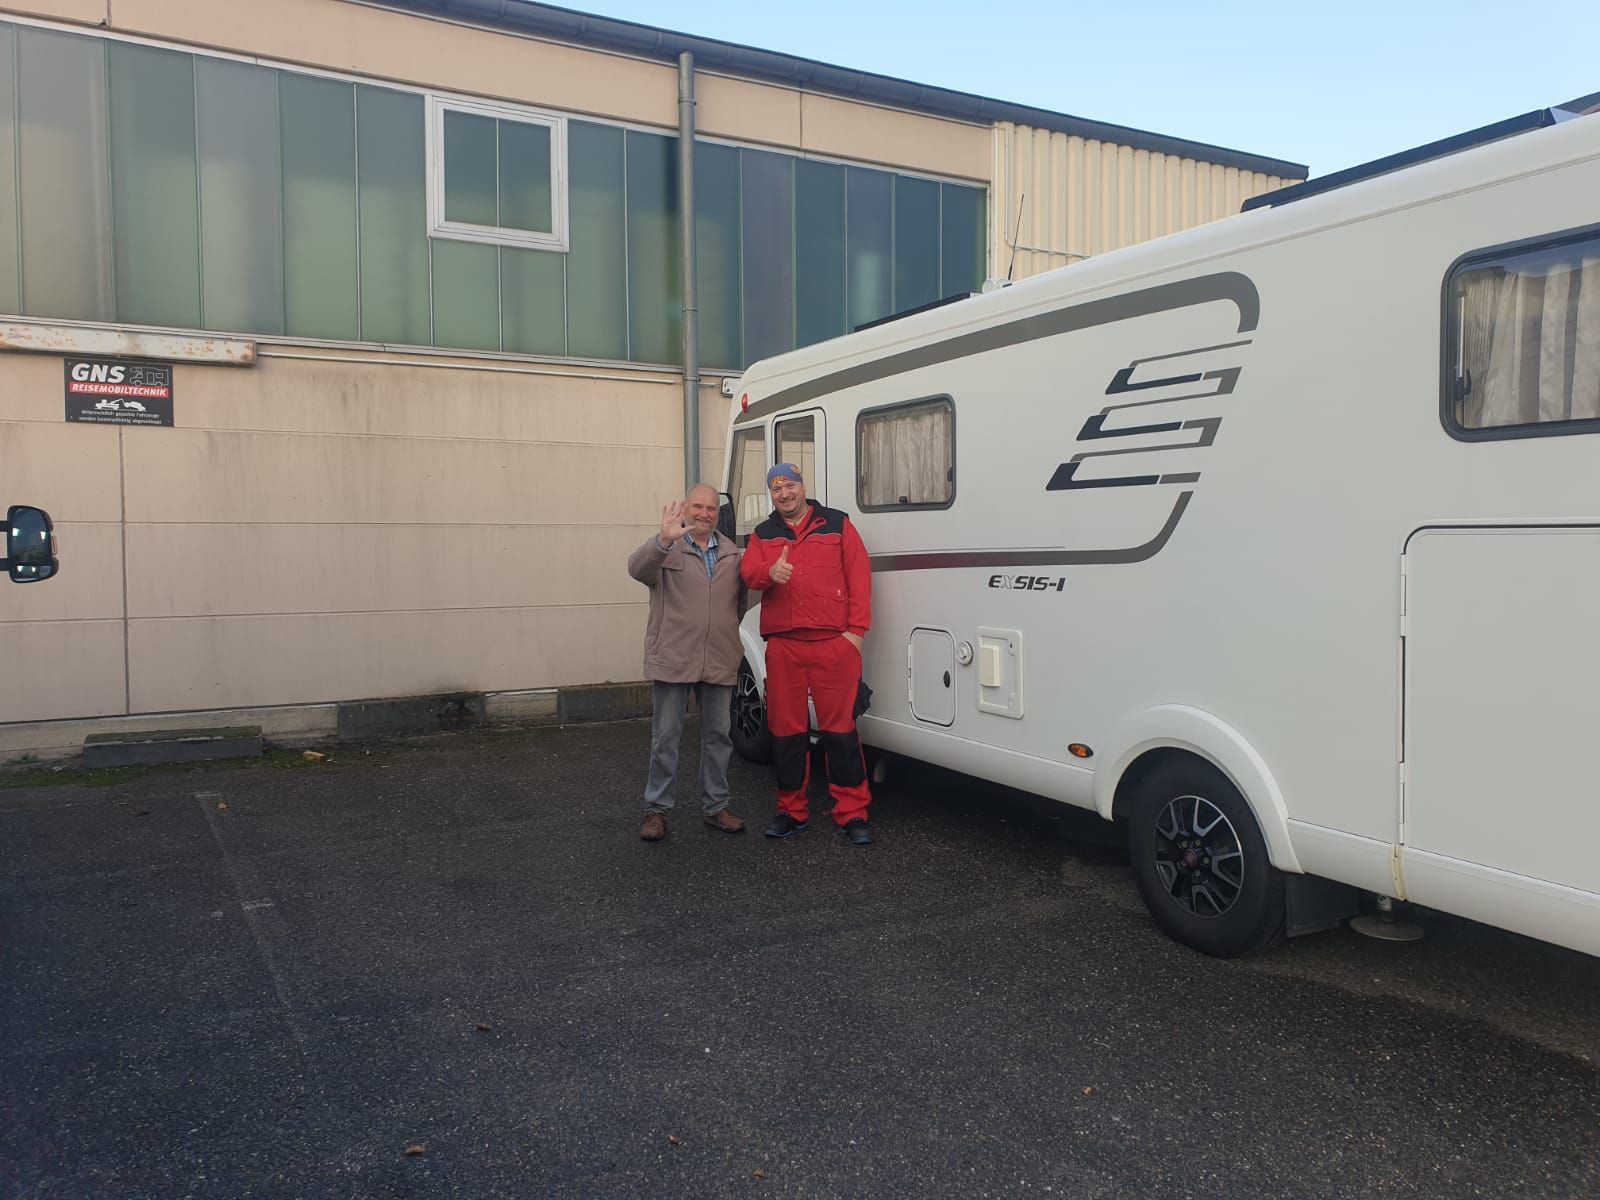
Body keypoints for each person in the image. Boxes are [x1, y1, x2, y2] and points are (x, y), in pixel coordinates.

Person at [739, 463, 874, 846]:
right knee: (786, 732)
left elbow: (859, 577)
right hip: (784, 647)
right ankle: (791, 810)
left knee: (841, 732)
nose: (784, 493)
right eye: (776, 488)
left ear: (802, 486)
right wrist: (770, 572)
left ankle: (852, 812)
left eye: (790, 485)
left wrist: (855, 634)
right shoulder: (763, 534)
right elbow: (749, 573)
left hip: (835, 644)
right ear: (771, 494)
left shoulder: (837, 524)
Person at [628, 484, 747, 841]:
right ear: (686, 509)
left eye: (711, 508)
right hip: (674, 657)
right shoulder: (667, 548)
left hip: (719, 658)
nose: (704, 513)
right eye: (698, 506)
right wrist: (661, 540)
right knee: (666, 737)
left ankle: (716, 807)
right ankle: (657, 810)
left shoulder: (731, 553)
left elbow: (738, 605)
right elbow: (636, 569)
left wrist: (722, 632)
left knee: (718, 737)